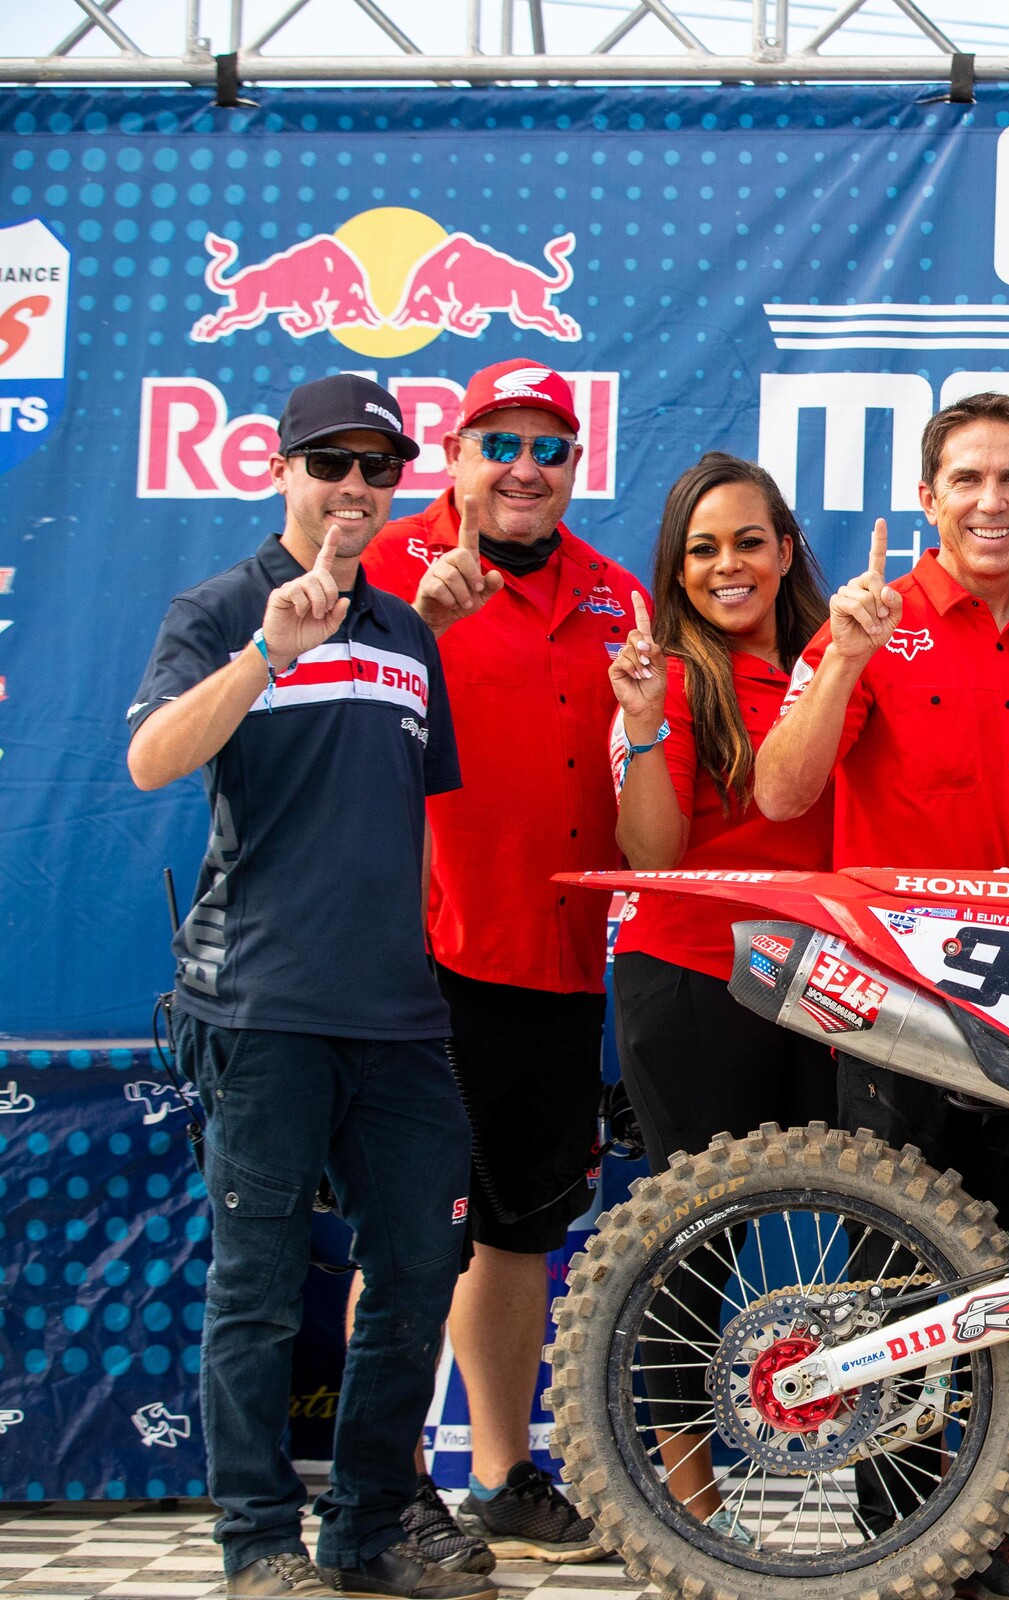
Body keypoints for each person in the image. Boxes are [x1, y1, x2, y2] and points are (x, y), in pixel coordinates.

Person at [126, 375, 490, 1600]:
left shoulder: (408, 635)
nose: (353, 488)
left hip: (398, 1017)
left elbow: (414, 827)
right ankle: (257, 1545)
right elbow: (149, 758)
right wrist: (268, 653)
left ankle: (368, 1528)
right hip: (262, 1009)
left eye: (378, 469)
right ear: (280, 468)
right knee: (260, 1291)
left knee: (421, 1272)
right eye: (330, 463)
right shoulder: (221, 605)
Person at [754, 393, 1009, 1600]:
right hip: (896, 1003)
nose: (991, 501)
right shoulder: (871, 626)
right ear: (930, 497)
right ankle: (905, 1534)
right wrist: (842, 653)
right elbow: (785, 797)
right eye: (966, 480)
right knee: (892, 1278)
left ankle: (991, 1529)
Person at [359, 359, 638, 1568]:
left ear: (575, 468)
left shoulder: (621, 596)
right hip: (414, 962)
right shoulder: (376, 580)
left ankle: (504, 1471)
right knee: (408, 1232)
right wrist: (414, 621)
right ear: (455, 455)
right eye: (501, 444)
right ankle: (381, 1485)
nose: (525, 468)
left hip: (562, 959)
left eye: (551, 448)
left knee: (520, 1231)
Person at [604, 452, 838, 1545]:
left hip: (841, 990)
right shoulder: (670, 674)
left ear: (786, 550)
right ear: (676, 568)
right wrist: (647, 725)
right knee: (690, 1236)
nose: (727, 565)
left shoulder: (843, 658)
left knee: (901, 1227)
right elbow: (652, 852)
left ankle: (920, 1485)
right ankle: (689, 1507)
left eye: (748, 540)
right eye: (702, 548)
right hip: (696, 979)